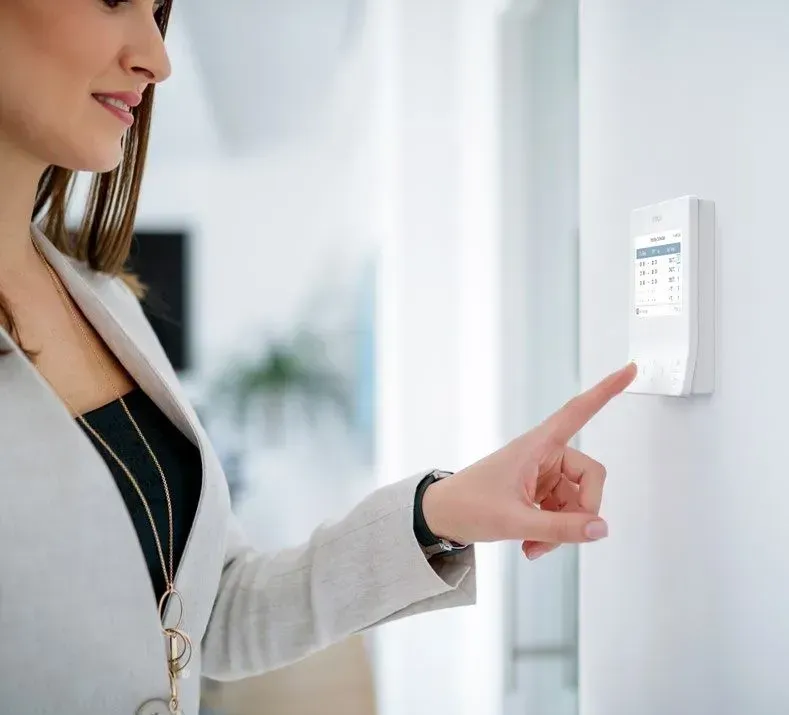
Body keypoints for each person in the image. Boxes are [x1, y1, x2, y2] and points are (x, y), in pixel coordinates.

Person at [0, 2, 637, 714]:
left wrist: (437, 512)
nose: (158, 57)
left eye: (158, 12)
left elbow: (212, 615)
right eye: (114, 0)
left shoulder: (103, 301)